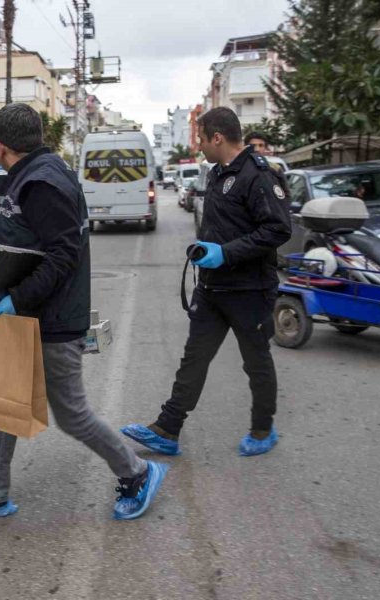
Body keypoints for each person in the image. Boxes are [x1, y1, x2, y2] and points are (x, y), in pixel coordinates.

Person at [0, 103, 168, 521]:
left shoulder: (42, 182)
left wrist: (19, 298)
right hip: (30, 315)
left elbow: (63, 255)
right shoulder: (34, 173)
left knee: (72, 415)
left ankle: (136, 472)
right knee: (5, 397)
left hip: (53, 320)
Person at [121, 107, 291, 458]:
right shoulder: (217, 173)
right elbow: (223, 224)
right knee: (193, 359)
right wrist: (205, 249)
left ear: (217, 137)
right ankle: (168, 429)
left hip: (249, 290)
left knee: (256, 362)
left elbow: (277, 229)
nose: (198, 145)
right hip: (213, 288)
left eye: (201, 137)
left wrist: (225, 253)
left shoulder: (259, 175)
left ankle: (262, 429)